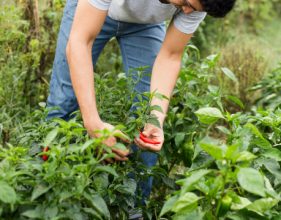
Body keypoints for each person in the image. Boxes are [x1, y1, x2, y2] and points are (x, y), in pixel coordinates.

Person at [46, 0, 235, 211]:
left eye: (194, 9)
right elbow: (80, 42)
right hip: (91, 8)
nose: (188, 10)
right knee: (63, 104)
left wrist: (157, 119)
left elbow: (171, 56)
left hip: (146, 24)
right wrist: (93, 123)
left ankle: (135, 210)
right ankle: (48, 196)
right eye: (187, 3)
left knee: (148, 119)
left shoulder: (199, 2)